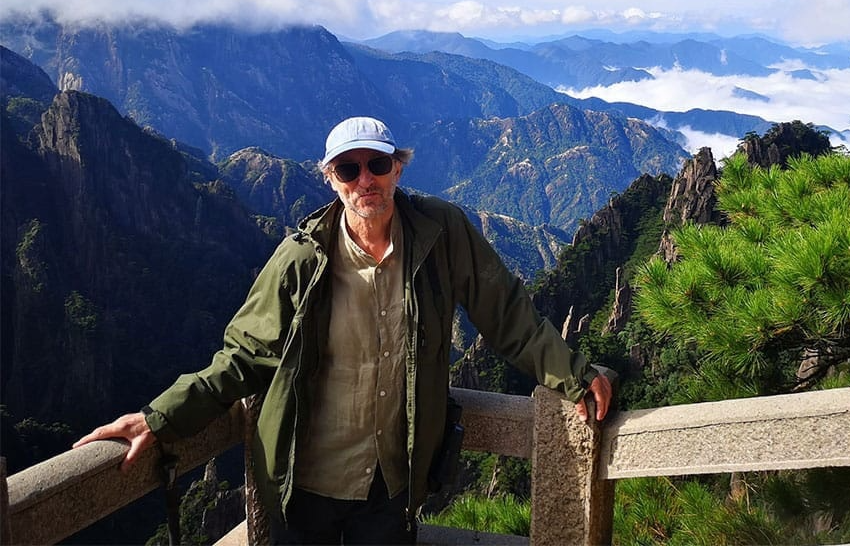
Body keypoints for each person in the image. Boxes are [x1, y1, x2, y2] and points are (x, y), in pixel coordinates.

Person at [75, 116, 613, 544]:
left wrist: (573, 374)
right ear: (330, 178)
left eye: (376, 165)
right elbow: (242, 356)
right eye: (348, 169)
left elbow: (507, 315)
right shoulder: (300, 259)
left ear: (398, 169)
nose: (365, 181)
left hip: (391, 484)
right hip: (304, 483)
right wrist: (160, 417)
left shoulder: (442, 234)